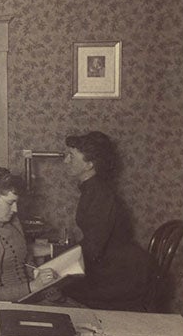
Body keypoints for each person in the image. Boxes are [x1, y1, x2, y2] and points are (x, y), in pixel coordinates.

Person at [61, 131, 156, 311]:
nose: (66, 161)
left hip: (123, 274)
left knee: (60, 290)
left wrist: (60, 265)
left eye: (71, 157)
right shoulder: (92, 189)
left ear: (89, 164)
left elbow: (94, 248)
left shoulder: (99, 194)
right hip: (116, 266)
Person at [0, 167, 56, 301]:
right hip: (9, 304)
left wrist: (42, 280)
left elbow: (27, 262)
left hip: (33, 295)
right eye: (10, 203)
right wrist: (33, 287)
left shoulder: (12, 222)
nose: (15, 209)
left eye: (16, 202)